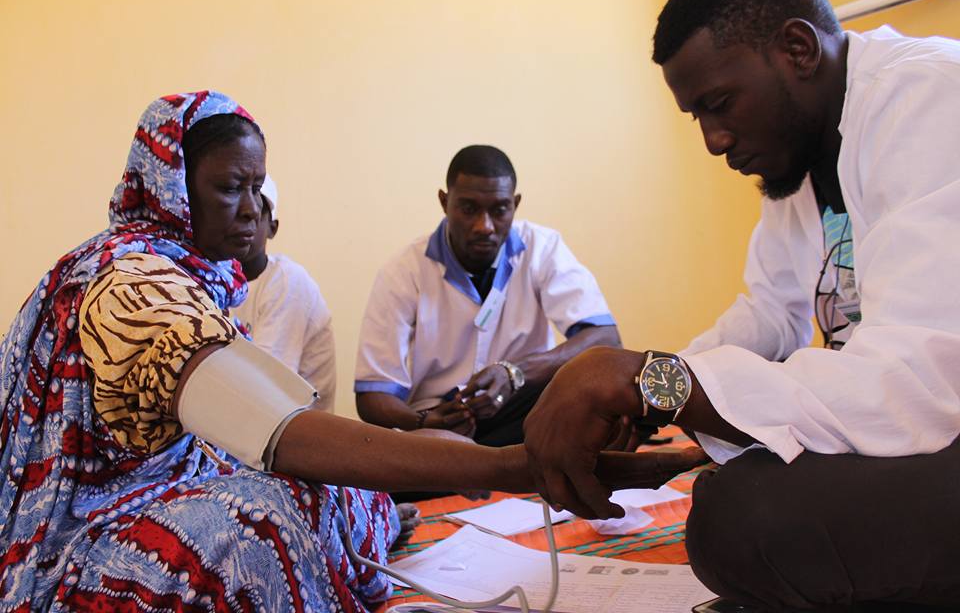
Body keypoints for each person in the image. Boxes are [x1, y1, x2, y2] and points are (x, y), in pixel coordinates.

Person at [0, 91, 703, 611]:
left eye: (256, 188)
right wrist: (519, 466)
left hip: (468, 422)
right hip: (83, 524)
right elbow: (283, 431)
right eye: (226, 189)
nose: (248, 211)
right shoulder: (136, 287)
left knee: (334, 492)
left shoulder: (179, 273)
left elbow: (606, 341)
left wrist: (530, 406)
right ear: (170, 191)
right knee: (260, 519)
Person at [522, 0, 960, 610]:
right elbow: (767, 315)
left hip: (936, 410)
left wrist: (650, 379)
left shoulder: (929, 99)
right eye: (698, 115)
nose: (713, 140)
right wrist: (649, 401)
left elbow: (914, 383)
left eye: (720, 103)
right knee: (733, 483)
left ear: (797, 50)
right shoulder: (810, 151)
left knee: (745, 516)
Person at [354, 145, 622, 446]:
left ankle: (493, 471)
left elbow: (605, 338)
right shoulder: (403, 271)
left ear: (515, 204)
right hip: (438, 423)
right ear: (444, 202)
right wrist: (424, 421)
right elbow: (372, 396)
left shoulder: (543, 249)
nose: (485, 226)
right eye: (469, 209)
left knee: (602, 391)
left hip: (522, 407)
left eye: (499, 210)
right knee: (404, 460)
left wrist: (514, 373)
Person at [233, 174, 337, 411]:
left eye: (258, 211)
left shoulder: (288, 282)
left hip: (294, 438)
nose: (246, 218)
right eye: (237, 210)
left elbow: (262, 390)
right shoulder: (215, 281)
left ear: (273, 228)